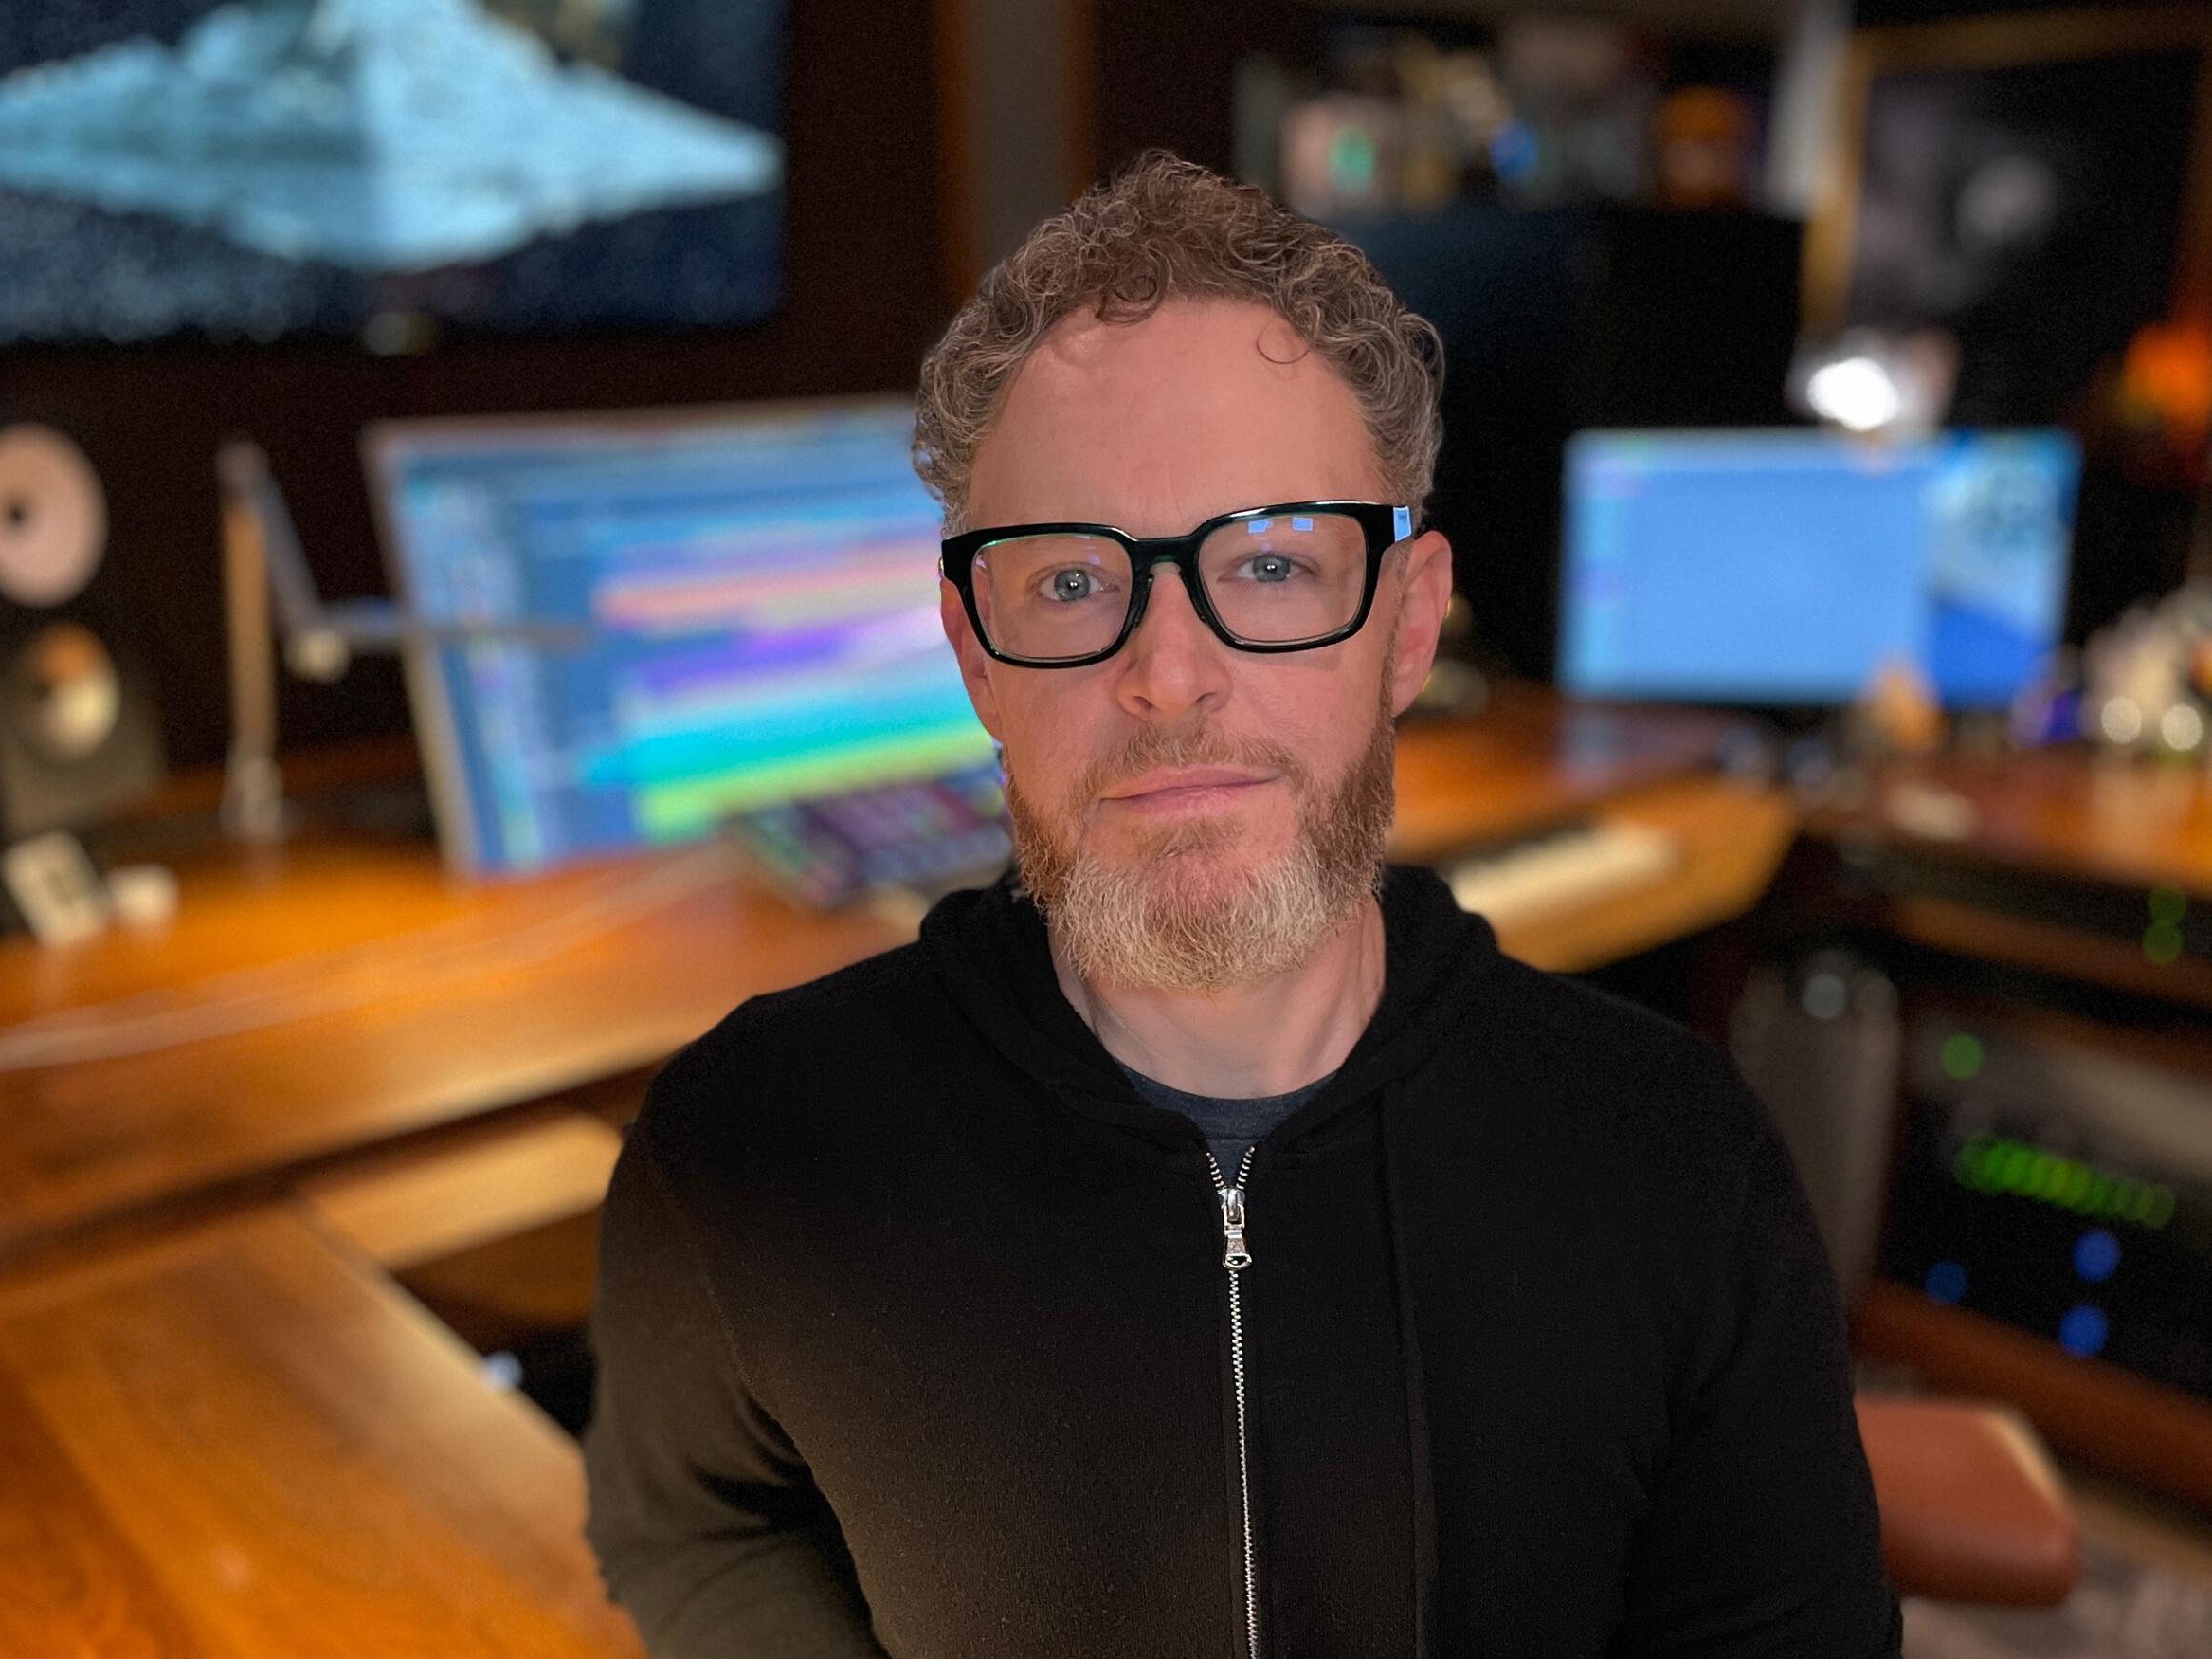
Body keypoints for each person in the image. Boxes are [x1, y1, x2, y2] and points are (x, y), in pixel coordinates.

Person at [581, 150, 1902, 1659]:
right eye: (1073, 583)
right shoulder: (741, 1158)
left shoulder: (1684, 1165)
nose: (1169, 671)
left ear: (1407, 628)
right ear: (973, 654)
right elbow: (690, 1522)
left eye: (1270, 564)